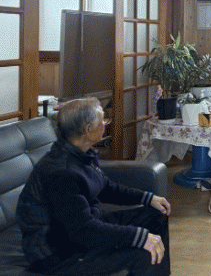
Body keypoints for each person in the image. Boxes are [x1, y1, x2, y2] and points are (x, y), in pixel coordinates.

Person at [17, 98, 171, 276]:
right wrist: (139, 237)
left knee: (156, 216)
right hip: (58, 253)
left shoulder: (82, 153)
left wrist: (148, 198)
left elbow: (105, 187)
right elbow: (83, 231)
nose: (106, 123)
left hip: (81, 230)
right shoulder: (62, 173)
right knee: (143, 254)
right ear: (89, 130)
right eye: (103, 120)